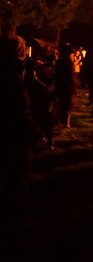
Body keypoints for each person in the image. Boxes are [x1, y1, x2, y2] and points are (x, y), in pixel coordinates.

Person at [0, 36, 35, 242]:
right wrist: (31, 128)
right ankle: (13, 222)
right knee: (17, 178)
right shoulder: (11, 76)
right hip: (13, 134)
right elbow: (21, 107)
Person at [55, 44, 76, 128]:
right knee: (68, 105)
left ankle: (59, 121)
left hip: (60, 85)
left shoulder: (59, 61)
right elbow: (70, 76)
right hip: (67, 86)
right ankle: (66, 123)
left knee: (61, 104)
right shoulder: (68, 62)